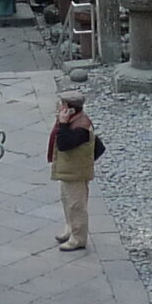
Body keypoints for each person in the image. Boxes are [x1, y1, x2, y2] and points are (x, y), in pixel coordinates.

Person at [48, 90, 100, 251]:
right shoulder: (74, 120)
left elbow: (64, 144)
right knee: (67, 201)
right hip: (68, 170)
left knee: (76, 205)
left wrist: (62, 124)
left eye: (62, 105)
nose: (59, 107)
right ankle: (70, 228)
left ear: (71, 109)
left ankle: (78, 237)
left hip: (75, 172)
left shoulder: (80, 127)